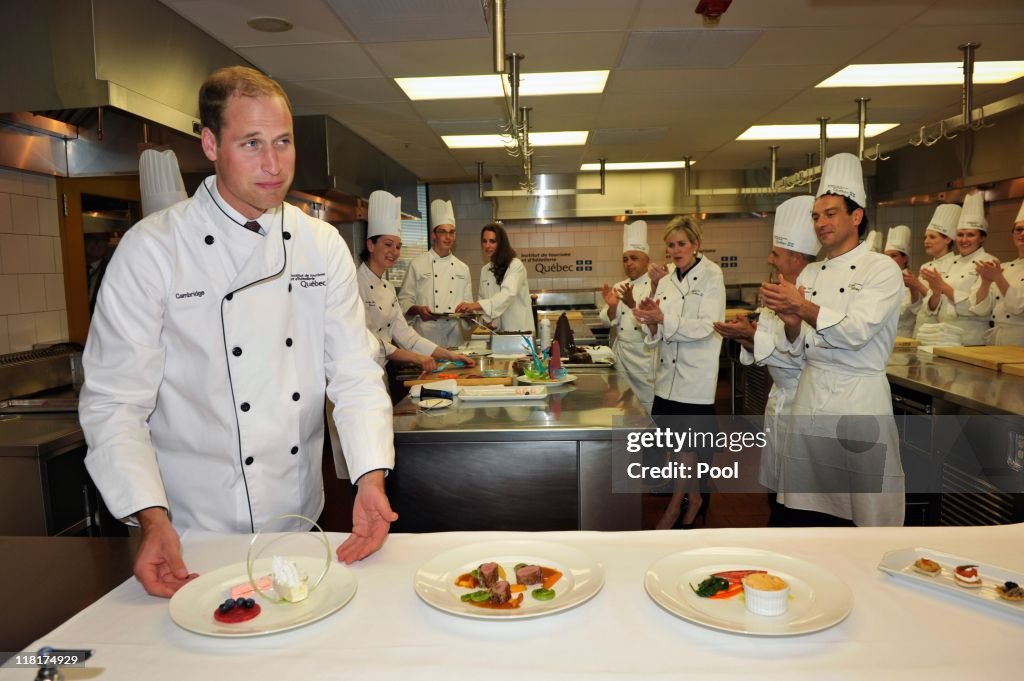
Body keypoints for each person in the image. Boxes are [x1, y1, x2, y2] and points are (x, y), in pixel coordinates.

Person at [79, 66, 398, 598]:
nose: (273, 165)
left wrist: (369, 478)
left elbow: (355, 373)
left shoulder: (319, 245)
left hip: (300, 524)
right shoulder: (153, 249)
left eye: (283, 142)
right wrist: (151, 520)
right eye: (251, 144)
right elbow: (114, 402)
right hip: (188, 532)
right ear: (210, 143)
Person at [760, 152, 905, 526]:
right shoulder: (810, 272)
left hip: (858, 402)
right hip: (811, 398)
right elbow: (795, 351)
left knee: (861, 513)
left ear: (856, 216)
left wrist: (802, 308)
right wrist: (792, 321)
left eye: (830, 213)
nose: (821, 223)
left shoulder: (883, 269)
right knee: (804, 512)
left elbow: (856, 332)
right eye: (816, 216)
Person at [713, 195, 818, 523]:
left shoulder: (811, 293)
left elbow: (797, 350)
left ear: (796, 257)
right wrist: (747, 333)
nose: (770, 259)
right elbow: (771, 342)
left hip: (803, 401)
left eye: (776, 253)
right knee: (775, 491)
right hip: (779, 401)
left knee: (798, 500)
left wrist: (751, 335)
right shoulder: (781, 287)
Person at [633, 216, 725, 529]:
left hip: (695, 376)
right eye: (671, 245)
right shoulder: (668, 277)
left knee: (689, 448)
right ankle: (694, 498)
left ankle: (674, 507)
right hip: (666, 378)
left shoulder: (712, 275)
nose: (675, 250)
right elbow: (659, 326)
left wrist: (664, 320)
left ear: (696, 244)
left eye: (681, 244)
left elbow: (707, 326)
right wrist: (651, 320)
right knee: (675, 445)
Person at [359, 190, 475, 372]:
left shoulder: (388, 288)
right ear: (370, 245)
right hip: (359, 374)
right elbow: (372, 342)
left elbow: (406, 336)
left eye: (398, 246)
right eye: (388, 244)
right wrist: (417, 357)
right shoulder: (355, 285)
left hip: (379, 373)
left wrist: (451, 355)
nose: (395, 252)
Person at [920, 191, 998, 345]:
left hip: (970, 340)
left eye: (970, 235)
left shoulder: (989, 262)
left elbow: (980, 309)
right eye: (960, 234)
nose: (964, 240)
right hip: (942, 337)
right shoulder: (948, 262)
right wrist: (936, 292)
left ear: (982, 238)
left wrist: (943, 286)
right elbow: (930, 308)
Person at [398, 199, 474, 348]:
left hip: (454, 339)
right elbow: (403, 302)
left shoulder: (462, 268)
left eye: (451, 232)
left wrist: (468, 313)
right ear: (434, 235)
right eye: (442, 232)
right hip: (425, 338)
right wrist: (418, 310)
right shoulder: (417, 264)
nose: (448, 237)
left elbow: (468, 306)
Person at [599, 220, 656, 413]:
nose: (628, 263)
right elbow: (606, 320)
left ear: (647, 260)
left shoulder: (656, 285)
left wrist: (632, 305)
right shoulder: (619, 285)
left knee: (648, 406)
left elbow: (652, 321)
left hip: (644, 357)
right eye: (625, 259)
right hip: (622, 356)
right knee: (625, 408)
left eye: (634, 257)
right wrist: (613, 307)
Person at [456, 222, 535, 334]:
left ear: (501, 243)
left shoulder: (515, 265)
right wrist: (487, 320)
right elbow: (483, 298)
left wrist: (475, 305)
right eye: (484, 241)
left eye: (492, 241)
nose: (487, 245)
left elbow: (506, 295)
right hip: (498, 334)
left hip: (519, 332)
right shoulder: (485, 270)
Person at [974, 198, 1024, 345]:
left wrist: (997, 277)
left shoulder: (999, 271)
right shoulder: (1005, 267)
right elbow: (981, 310)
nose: (1022, 234)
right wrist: (985, 283)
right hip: (997, 339)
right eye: (1018, 229)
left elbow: (1018, 307)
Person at [904, 204, 959, 337]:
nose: (926, 241)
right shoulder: (925, 266)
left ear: (947, 239)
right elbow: (918, 307)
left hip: (939, 332)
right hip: (921, 329)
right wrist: (913, 288)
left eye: (932, 237)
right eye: (925, 237)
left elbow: (941, 303)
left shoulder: (955, 265)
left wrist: (917, 285)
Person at [883, 224, 916, 338]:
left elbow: (903, 312)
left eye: (894, 256)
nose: (889, 260)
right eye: (886, 256)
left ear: (905, 258)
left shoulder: (909, 281)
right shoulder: (882, 280)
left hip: (903, 338)